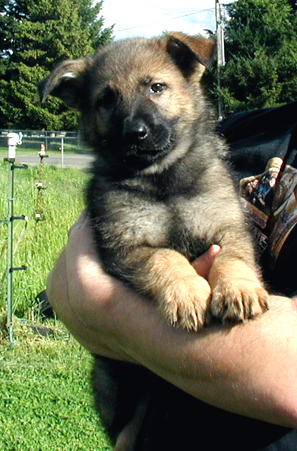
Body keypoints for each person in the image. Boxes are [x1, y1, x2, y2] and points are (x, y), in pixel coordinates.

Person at [46, 102, 297, 450]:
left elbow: (290, 378)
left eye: (157, 88)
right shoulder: (233, 131)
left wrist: (106, 305)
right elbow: (68, 275)